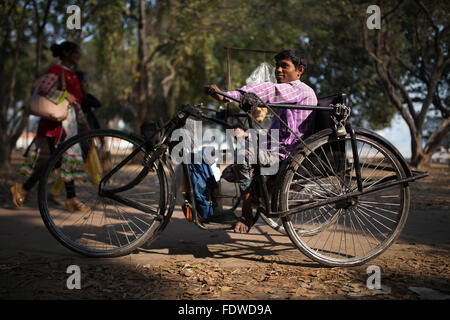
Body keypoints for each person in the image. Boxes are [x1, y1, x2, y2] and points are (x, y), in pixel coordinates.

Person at [205, 48, 318, 233]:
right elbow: (274, 134)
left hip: (288, 155)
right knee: (232, 169)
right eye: (277, 66)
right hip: (277, 149)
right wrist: (248, 135)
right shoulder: (288, 96)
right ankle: (261, 196)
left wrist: (228, 96)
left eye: (284, 66)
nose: (278, 70)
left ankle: (247, 212)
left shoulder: (299, 90)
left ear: (300, 70)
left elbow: (269, 89)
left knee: (244, 156)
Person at [11, 41, 90, 212]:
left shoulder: (73, 75)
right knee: (58, 160)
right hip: (55, 127)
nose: (78, 56)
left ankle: (69, 198)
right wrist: (64, 94)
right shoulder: (57, 71)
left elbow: (76, 104)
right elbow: (43, 90)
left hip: (70, 126)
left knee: (62, 160)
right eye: (75, 52)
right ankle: (25, 188)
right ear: (67, 53)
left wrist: (84, 125)